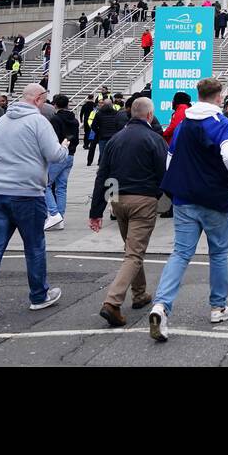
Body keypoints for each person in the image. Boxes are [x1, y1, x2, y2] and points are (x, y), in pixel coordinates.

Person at [0, 84, 70, 324]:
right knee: (34, 246)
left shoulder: (1, 122)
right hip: (26, 192)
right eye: (44, 100)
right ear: (38, 99)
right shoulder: (38, 122)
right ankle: (38, 295)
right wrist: (64, 148)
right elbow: (54, 154)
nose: (45, 104)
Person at [149, 77, 228, 340]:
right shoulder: (222, 124)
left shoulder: (184, 123)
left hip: (185, 197)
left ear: (198, 94)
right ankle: (217, 306)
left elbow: (171, 156)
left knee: (180, 252)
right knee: (219, 252)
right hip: (213, 196)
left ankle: (161, 305)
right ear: (219, 97)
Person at [90, 97, 169, 327]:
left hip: (117, 199)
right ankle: (112, 302)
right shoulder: (155, 139)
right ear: (149, 115)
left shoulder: (115, 139)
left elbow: (102, 175)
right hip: (143, 199)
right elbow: (165, 175)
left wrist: (96, 211)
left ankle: (140, 293)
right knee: (134, 253)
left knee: (132, 249)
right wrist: (174, 202)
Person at [44, 94, 79, 231]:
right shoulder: (74, 120)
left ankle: (54, 213)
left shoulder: (55, 119)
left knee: (45, 184)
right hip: (70, 154)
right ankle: (60, 217)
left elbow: (53, 138)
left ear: (56, 105)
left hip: (59, 154)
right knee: (61, 187)